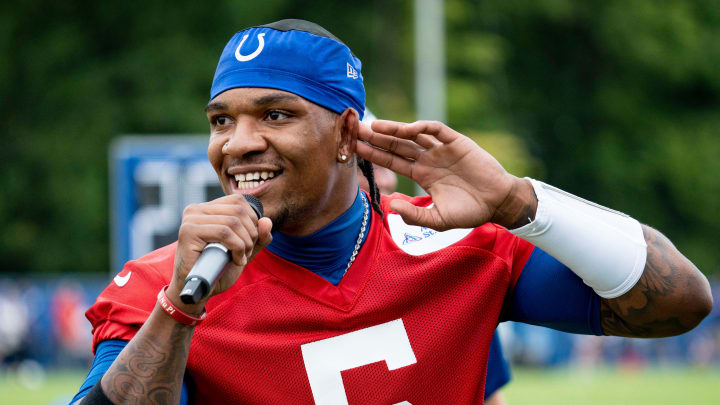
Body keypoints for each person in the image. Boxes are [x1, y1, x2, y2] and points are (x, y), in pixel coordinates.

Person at [73, 19, 712, 404]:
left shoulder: (456, 250)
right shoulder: (163, 289)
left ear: (349, 135)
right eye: (221, 120)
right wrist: (181, 312)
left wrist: (521, 202)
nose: (238, 142)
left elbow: (681, 301)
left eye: (276, 114)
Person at [359, 109, 510, 405]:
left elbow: (488, 397)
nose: (388, 182)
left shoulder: (449, 264)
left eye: (387, 162)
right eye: (370, 164)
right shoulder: (248, 274)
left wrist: (517, 202)